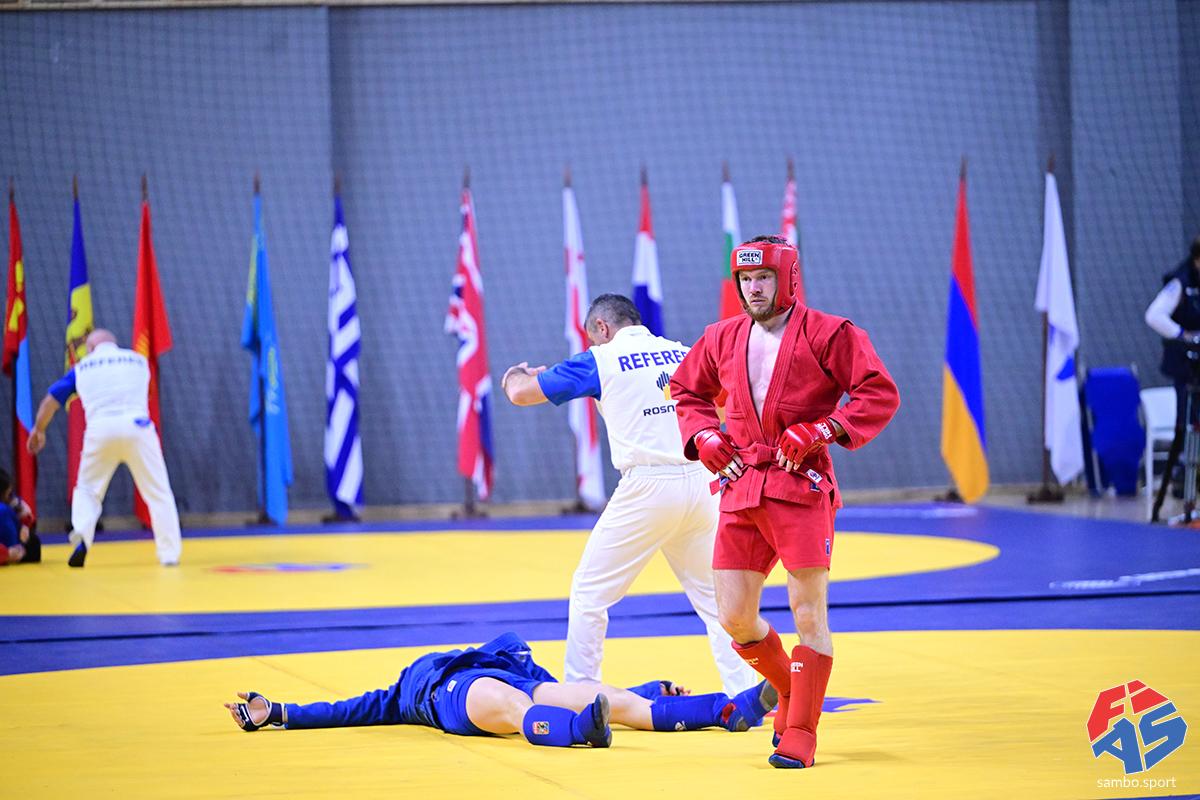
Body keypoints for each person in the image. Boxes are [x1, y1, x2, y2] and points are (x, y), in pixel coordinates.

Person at [670, 236, 899, 769]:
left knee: (808, 613)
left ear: (789, 279)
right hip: (742, 482)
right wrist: (704, 435)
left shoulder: (830, 332)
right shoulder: (721, 336)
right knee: (733, 616)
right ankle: (790, 688)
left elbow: (878, 392)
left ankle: (801, 731)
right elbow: (686, 391)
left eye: (764, 278)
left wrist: (825, 428)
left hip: (800, 485)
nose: (754, 288)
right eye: (746, 279)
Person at [501, 294, 757, 697]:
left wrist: (515, 373)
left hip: (648, 486)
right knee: (716, 600)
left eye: (592, 336)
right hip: (701, 481)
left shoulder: (600, 359)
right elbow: (726, 407)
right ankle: (745, 691)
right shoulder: (683, 352)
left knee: (590, 593)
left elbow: (520, 393)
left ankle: (581, 692)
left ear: (602, 328)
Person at [224, 631, 777, 749]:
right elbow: (349, 710)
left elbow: (581, 690)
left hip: (498, 689)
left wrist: (649, 686)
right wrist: (281, 711)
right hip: (457, 697)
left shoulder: (517, 665)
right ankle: (578, 733)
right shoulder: (414, 683)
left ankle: (728, 708)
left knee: (606, 696)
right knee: (516, 707)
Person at [27, 329, 182, 567]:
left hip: (100, 429)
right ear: (114, 344)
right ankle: (169, 554)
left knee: (87, 490)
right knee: (158, 492)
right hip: (138, 426)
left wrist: (38, 430)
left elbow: (50, 402)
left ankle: (81, 538)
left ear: (91, 348)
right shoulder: (139, 361)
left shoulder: (82, 368)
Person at [1144, 236, 1200, 515]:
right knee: (1187, 427)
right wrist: (1183, 335)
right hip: (1187, 370)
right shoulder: (1180, 282)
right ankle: (1181, 482)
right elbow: (1153, 316)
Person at [0, 468, 39, 565]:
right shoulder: (4, 510)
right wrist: (7, 553)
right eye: (8, 494)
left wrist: (25, 526)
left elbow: (27, 515)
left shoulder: (13, 503)